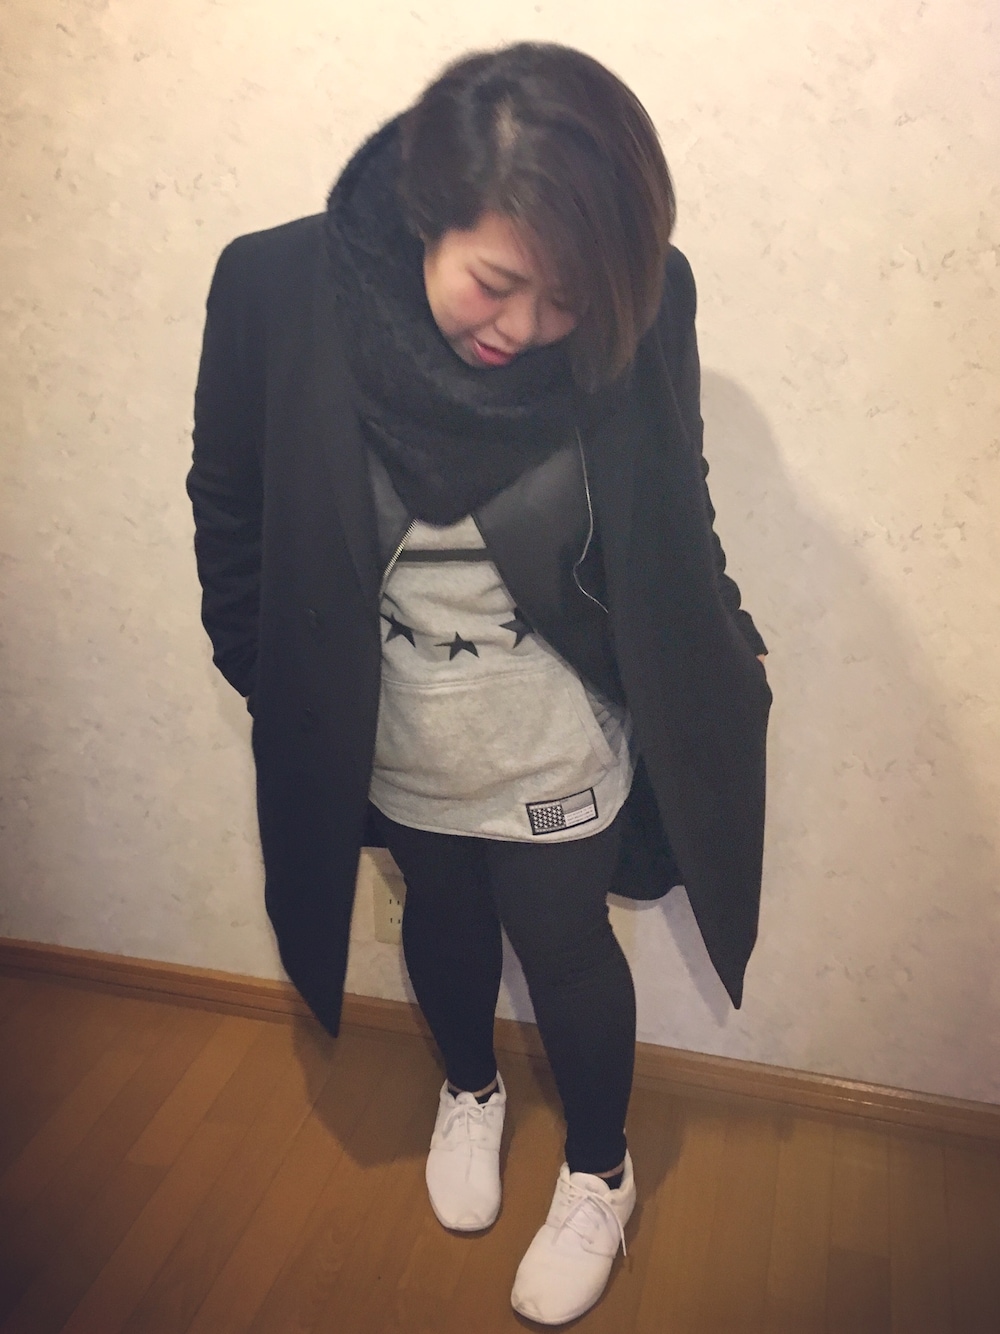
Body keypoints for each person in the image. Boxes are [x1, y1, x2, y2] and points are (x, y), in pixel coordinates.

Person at [188, 41, 770, 1326]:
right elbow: (229, 501)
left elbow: (673, 500)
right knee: (440, 911)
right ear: (423, 213)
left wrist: (722, 656)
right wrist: (271, 675)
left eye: (568, 305)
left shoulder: (649, 292)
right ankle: (470, 1086)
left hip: (555, 716)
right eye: (499, 285)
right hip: (391, 715)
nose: (529, 329)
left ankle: (599, 1172)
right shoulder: (278, 286)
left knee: (564, 941)